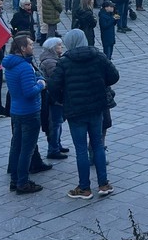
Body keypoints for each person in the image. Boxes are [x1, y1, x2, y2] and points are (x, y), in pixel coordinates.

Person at [48, 28, 120, 199]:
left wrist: (62, 99)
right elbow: (114, 76)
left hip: (75, 110)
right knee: (97, 145)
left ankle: (84, 188)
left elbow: (53, 86)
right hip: (96, 107)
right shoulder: (98, 56)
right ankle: (103, 184)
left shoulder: (65, 62)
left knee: (81, 149)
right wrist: (101, 83)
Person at [3, 34, 46, 194]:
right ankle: (22, 182)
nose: (32, 47)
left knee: (16, 147)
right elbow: (29, 92)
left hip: (16, 110)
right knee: (27, 150)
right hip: (29, 112)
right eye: (30, 45)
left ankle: (15, 180)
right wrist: (40, 84)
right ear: (22, 48)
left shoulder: (10, 65)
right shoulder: (25, 67)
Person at [39, 36, 68, 159]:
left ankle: (57, 145)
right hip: (54, 97)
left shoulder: (52, 59)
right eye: (59, 45)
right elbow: (56, 80)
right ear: (53, 48)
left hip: (53, 96)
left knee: (57, 122)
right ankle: (53, 149)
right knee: (55, 123)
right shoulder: (51, 62)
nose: (61, 47)